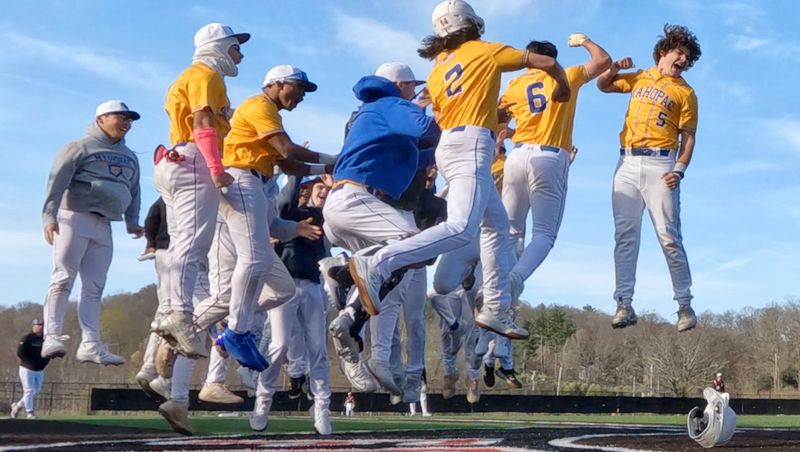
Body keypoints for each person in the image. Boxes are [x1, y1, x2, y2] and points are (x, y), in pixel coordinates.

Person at [346, 0, 570, 340]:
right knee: (463, 228)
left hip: (450, 143)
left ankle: (495, 305)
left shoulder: (438, 69)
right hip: (473, 143)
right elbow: (546, 61)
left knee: (496, 226)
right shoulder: (484, 51)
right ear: (470, 24)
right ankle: (380, 262)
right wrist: (562, 83)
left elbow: (441, 111)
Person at [153, 22, 249, 435]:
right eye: (235, 47)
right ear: (218, 46)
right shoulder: (205, 74)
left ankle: (173, 317)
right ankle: (178, 315)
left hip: (176, 160)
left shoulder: (195, 75)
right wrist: (214, 165)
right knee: (194, 244)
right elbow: (204, 118)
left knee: (186, 244)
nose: (239, 55)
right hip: (193, 159)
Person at [596, 24, 701, 332]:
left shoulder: (686, 93)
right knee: (625, 235)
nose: (682, 59)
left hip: (662, 163)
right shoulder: (642, 76)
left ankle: (685, 305)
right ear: (662, 53)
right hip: (627, 160)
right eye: (679, 52)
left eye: (688, 57)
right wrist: (614, 67)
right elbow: (603, 86)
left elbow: (689, 138)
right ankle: (623, 304)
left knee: (668, 236)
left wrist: (679, 169)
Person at [499, 34, 611, 294]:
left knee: (510, 232)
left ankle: (494, 285)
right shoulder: (567, 75)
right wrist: (585, 41)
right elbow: (603, 60)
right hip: (549, 156)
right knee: (544, 235)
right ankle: (513, 280)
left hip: (516, 156)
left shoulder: (514, 84)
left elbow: (497, 118)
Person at [40, 100, 143, 365]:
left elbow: (133, 189)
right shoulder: (79, 147)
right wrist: (49, 216)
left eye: (129, 120)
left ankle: (91, 344)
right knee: (63, 278)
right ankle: (51, 335)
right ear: (101, 119)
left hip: (105, 223)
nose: (125, 123)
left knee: (95, 287)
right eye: (120, 117)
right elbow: (57, 181)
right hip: (73, 216)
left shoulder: (130, 155)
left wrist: (132, 221)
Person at [249, 175, 334, 435]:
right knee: (279, 345)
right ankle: (262, 402)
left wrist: (334, 184)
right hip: (284, 285)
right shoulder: (288, 213)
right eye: (318, 187)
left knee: (318, 348)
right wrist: (298, 171)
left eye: (325, 189)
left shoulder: (326, 216)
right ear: (306, 189)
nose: (322, 192)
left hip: (312, 285)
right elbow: (286, 198)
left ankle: (321, 406)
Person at [10, 319, 50, 419]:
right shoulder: (27, 338)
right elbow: (20, 353)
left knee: (36, 390)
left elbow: (48, 353)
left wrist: (43, 363)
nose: (40, 327)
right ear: (34, 326)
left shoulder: (45, 339)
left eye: (42, 325)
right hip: (27, 368)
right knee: (28, 390)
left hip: (39, 369)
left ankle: (18, 405)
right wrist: (30, 362)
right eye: (38, 325)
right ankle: (30, 412)